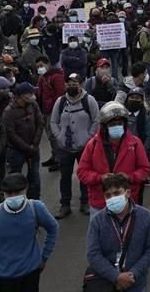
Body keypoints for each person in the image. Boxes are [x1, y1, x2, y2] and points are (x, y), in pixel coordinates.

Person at [0, 173, 59, 292]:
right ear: (4, 193)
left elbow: (53, 228)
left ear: (26, 189)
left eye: (17, 192)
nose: (13, 197)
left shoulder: (36, 208)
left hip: (29, 277)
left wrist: (44, 257)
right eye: (9, 193)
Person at [77, 102, 150, 217]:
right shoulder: (93, 145)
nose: (117, 126)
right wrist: (100, 178)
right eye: (112, 124)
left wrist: (129, 177)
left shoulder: (135, 143)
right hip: (100, 203)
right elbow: (82, 172)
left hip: (127, 202)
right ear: (104, 126)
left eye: (120, 123)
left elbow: (145, 169)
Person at [49, 72, 100, 218]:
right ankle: (65, 205)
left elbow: (96, 121)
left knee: (85, 176)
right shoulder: (60, 102)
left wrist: (89, 138)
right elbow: (53, 121)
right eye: (69, 84)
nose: (71, 86)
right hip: (65, 147)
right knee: (65, 176)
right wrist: (59, 136)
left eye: (75, 84)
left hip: (85, 147)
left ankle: (85, 202)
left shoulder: (89, 101)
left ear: (81, 85)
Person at [2, 82, 43, 199]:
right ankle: (15, 201)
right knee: (15, 178)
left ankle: (34, 200)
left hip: (33, 148)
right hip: (16, 151)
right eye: (30, 93)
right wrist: (26, 147)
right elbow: (10, 133)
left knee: (34, 177)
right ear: (22, 96)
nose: (33, 95)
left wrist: (34, 144)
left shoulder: (33, 105)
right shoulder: (9, 111)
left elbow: (40, 123)